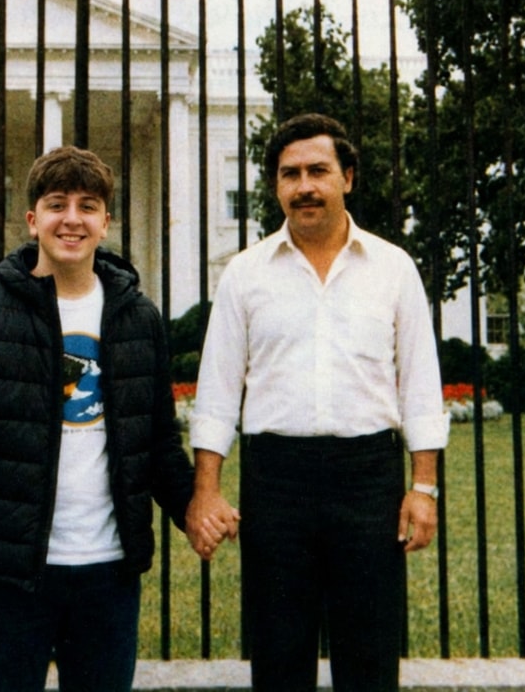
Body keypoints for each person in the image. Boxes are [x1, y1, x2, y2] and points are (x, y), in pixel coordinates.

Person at [0, 145, 197, 692]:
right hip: (10, 573)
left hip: (109, 572)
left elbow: (156, 441)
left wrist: (195, 509)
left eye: (88, 206)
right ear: (32, 219)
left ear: (106, 222)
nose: (72, 219)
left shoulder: (138, 318)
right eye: (57, 204)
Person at [186, 113, 450, 691]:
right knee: (279, 656)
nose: (304, 185)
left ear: (347, 178)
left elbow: (421, 386)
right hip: (276, 481)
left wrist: (423, 488)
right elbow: (218, 389)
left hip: (368, 479)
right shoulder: (245, 275)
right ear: (276, 186)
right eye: (290, 174)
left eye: (318, 171)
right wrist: (206, 490)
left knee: (370, 654)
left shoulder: (393, 269)